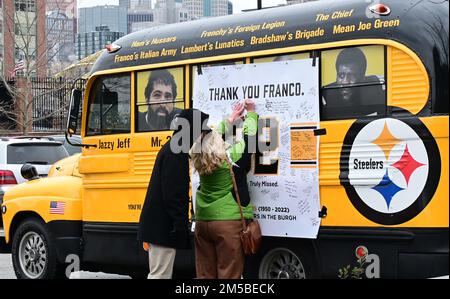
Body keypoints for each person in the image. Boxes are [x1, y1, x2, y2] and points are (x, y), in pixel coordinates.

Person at [138, 108, 210, 279]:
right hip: (163, 228)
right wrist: (179, 226)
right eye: (202, 128)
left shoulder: (174, 148)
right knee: (160, 275)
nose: (203, 133)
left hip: (159, 226)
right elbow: (174, 195)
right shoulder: (176, 153)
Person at [189, 99, 258, 279]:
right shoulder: (230, 158)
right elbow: (250, 140)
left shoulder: (198, 156)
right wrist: (250, 114)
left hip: (203, 221)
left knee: (205, 274)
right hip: (228, 222)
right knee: (229, 274)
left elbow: (210, 139)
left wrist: (231, 118)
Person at [321, 47, 385, 119]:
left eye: (351, 76)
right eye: (341, 76)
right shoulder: (325, 96)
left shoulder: (380, 87)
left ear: (363, 77)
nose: (345, 82)